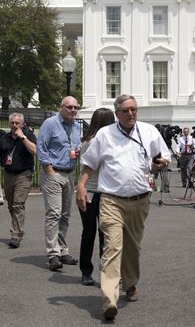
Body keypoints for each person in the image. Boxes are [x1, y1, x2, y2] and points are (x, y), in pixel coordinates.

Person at [77, 94, 170, 322]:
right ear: (116, 113)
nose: (131, 114)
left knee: (132, 247)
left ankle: (130, 284)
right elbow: (90, 163)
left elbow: (165, 156)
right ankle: (109, 299)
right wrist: (81, 185)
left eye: (134, 109)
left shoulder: (149, 132)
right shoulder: (104, 135)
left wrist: (161, 162)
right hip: (111, 200)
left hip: (139, 200)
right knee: (112, 247)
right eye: (126, 110)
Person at [37, 96, 82, 271]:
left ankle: (63, 250)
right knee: (53, 213)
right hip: (53, 173)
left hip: (69, 173)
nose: (73, 110)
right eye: (69, 107)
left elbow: (75, 147)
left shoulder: (76, 127)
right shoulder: (50, 124)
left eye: (75, 107)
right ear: (61, 107)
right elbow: (41, 146)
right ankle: (53, 254)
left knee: (65, 215)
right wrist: (48, 168)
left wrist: (76, 151)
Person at [76, 108, 116, 286]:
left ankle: (89, 271)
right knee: (100, 233)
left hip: (96, 191)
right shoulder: (95, 141)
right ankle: (97, 270)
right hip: (95, 191)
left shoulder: (88, 139)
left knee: (92, 232)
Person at [0, 113, 37, 248]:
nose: (15, 125)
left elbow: (35, 151)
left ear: (22, 124)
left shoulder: (29, 136)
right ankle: (17, 228)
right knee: (11, 205)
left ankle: (16, 235)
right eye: (12, 123)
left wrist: (23, 138)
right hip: (9, 174)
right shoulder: (5, 138)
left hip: (24, 174)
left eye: (17, 123)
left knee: (18, 204)